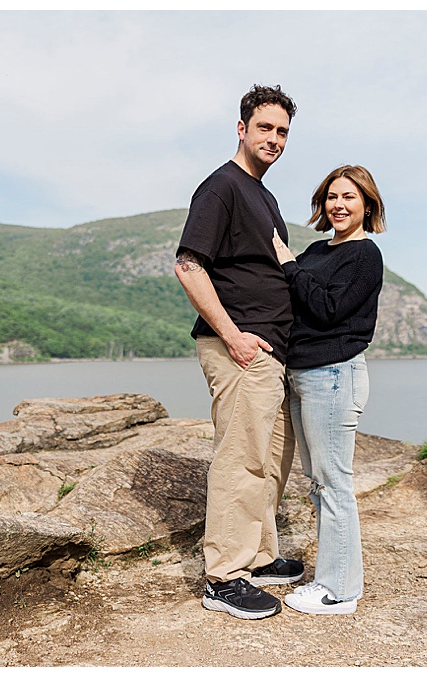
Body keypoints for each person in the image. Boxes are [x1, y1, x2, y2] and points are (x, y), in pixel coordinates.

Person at [172, 84, 305, 621]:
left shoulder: (264, 195)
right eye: (265, 127)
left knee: (272, 460)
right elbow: (187, 265)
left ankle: (257, 555)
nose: (274, 139)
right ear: (242, 128)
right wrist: (232, 335)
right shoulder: (221, 188)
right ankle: (223, 576)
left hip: (272, 350)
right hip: (240, 348)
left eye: (283, 132)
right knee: (241, 459)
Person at [268, 165, 386, 615]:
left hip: (334, 375)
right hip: (303, 374)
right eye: (332, 197)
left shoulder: (364, 255)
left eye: (349, 198)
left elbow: (326, 307)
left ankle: (339, 589)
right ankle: (334, 578)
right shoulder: (319, 249)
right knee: (318, 483)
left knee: (334, 483)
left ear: (367, 205)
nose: (339, 205)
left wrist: (289, 264)